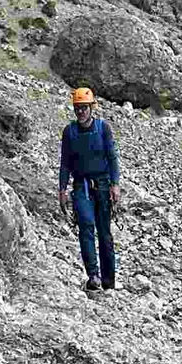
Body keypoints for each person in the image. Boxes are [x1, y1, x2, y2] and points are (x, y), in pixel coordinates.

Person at [57, 85, 122, 294]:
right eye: (78, 108)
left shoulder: (103, 128)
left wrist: (115, 184)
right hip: (81, 186)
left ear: (91, 108)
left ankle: (108, 281)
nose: (81, 112)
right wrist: (62, 190)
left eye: (84, 107)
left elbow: (112, 157)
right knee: (85, 226)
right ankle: (93, 275)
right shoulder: (70, 132)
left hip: (102, 186)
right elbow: (65, 162)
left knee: (104, 234)